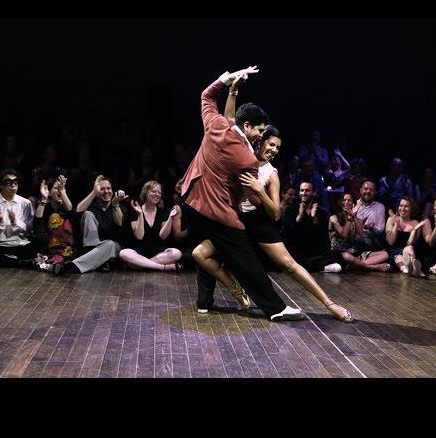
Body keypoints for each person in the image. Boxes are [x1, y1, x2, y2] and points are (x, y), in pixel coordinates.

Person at [194, 118, 352, 321]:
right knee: (200, 254)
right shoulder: (243, 157)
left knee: (289, 265)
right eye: (271, 144)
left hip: (260, 222)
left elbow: (276, 213)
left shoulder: (271, 173)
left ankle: (330, 304)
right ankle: (236, 289)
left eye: (278, 147)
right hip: (237, 222)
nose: (275, 150)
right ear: (260, 140)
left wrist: (260, 190)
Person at [180, 65, 305, 321]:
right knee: (246, 260)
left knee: (205, 250)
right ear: (247, 126)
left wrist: (228, 81)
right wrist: (261, 193)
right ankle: (276, 308)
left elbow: (206, 96)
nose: (261, 136)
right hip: (218, 211)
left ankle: (204, 302)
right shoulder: (246, 158)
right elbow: (253, 198)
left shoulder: (215, 124)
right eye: (259, 131)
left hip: (191, 200)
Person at [54, 175, 129, 275]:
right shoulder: (92, 207)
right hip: (92, 249)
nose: (106, 191)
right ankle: (100, 262)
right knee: (87, 214)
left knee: (110, 244)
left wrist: (116, 205)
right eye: (102, 189)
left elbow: (119, 223)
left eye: (108, 188)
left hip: (113, 248)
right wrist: (94, 192)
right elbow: (77, 212)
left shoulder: (119, 206)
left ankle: (71, 266)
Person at [119, 180, 183, 271]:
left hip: (158, 252)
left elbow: (163, 236)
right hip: (139, 251)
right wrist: (140, 215)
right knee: (123, 253)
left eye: (159, 193)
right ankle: (163, 267)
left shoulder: (162, 212)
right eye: (153, 191)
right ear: (145, 193)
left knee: (177, 253)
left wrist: (170, 218)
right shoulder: (136, 211)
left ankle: (139, 265)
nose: (157, 194)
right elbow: (139, 236)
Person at [328, 193, 391, 272]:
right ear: (340, 203)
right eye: (344, 200)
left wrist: (354, 216)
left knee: (385, 254)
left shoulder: (355, 218)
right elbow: (344, 235)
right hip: (339, 252)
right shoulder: (334, 218)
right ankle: (373, 267)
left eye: (349, 200)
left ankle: (353, 266)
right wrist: (349, 219)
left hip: (354, 253)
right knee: (348, 257)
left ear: (353, 203)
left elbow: (360, 233)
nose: (347, 202)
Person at [33, 175, 76, 272]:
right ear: (50, 192)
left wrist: (62, 191)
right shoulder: (45, 207)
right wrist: (44, 199)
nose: (60, 191)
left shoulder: (68, 206)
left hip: (66, 249)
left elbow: (70, 210)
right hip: (49, 247)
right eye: (56, 188)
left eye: (62, 188)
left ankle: (59, 264)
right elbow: (38, 223)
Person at [385, 197, 426, 277]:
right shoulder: (391, 220)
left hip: (408, 251)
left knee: (409, 248)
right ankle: (414, 270)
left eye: (406, 206)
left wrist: (414, 231)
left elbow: (410, 244)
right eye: (401, 205)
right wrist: (396, 224)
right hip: (393, 251)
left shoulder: (415, 223)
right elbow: (390, 242)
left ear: (411, 209)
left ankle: (410, 269)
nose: (403, 209)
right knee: (399, 258)